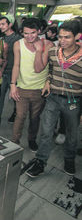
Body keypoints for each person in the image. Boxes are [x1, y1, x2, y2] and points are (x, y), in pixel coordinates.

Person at [26, 21, 82, 177]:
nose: (62, 40)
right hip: (53, 98)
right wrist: (48, 81)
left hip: (74, 101)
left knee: (71, 134)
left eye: (67, 37)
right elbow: (51, 70)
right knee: (46, 131)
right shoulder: (53, 52)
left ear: (77, 36)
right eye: (60, 36)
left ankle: (69, 159)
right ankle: (40, 162)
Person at [10, 18, 54, 151]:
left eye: (33, 33)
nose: (29, 36)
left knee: (35, 118)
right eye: (26, 33)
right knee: (20, 116)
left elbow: (38, 68)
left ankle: (31, 139)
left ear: (39, 31)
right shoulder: (18, 44)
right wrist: (13, 84)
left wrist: (39, 50)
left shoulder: (48, 45)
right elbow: (16, 65)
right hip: (22, 88)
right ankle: (14, 142)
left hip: (39, 90)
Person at [0, 15, 21, 123]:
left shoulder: (18, 39)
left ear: (10, 24)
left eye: (3, 24)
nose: (1, 26)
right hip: (3, 72)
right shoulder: (1, 39)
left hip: (15, 73)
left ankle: (16, 114)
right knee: (0, 97)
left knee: (16, 97)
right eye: (0, 24)